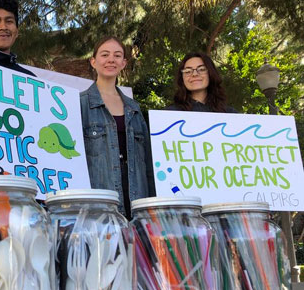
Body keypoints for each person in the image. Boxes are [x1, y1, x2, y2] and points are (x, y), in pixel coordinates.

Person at [80, 36, 155, 217]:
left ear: (123, 63)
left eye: (117, 55)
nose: (111, 60)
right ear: (93, 62)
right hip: (100, 207)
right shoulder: (79, 104)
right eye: (105, 55)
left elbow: (148, 163)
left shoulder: (134, 108)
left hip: (137, 205)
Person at [166, 52, 239, 113]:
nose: (194, 74)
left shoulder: (230, 115)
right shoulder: (170, 114)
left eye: (201, 69)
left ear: (211, 74)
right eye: (188, 71)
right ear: (182, 78)